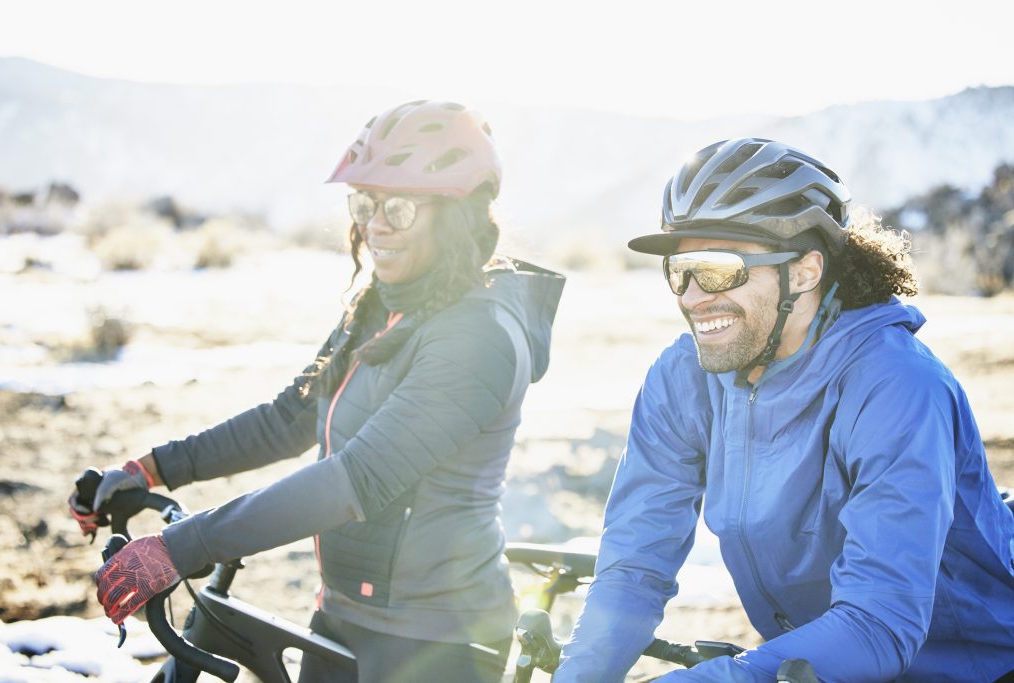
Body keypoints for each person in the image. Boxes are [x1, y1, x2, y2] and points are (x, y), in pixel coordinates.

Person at [69, 100, 565, 683]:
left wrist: (183, 546)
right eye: (365, 203)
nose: (376, 225)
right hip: (344, 616)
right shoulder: (386, 304)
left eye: (400, 208)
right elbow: (290, 417)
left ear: (458, 216)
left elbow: (355, 480)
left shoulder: (478, 336)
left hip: (437, 639)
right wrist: (150, 469)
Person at [554, 138, 1014, 682]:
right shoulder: (684, 377)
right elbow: (634, 569)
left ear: (804, 271)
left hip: (970, 665)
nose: (693, 295)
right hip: (815, 664)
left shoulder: (896, 385)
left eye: (719, 269)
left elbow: (879, 622)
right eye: (679, 268)